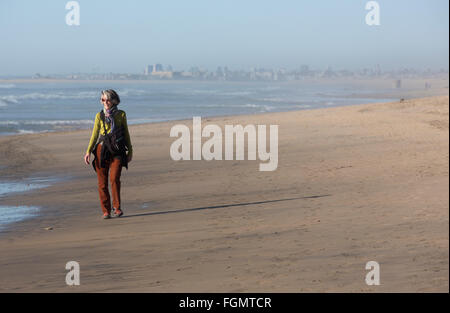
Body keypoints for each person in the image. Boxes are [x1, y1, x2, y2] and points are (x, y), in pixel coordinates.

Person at [84, 89, 133, 219]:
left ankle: (117, 208)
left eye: (108, 99)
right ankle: (106, 211)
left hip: (117, 150)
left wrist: (130, 151)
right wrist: (88, 151)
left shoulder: (121, 114)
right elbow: (94, 135)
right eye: (103, 100)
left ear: (114, 101)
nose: (105, 102)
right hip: (102, 150)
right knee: (102, 182)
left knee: (114, 178)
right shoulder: (99, 116)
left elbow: (126, 133)